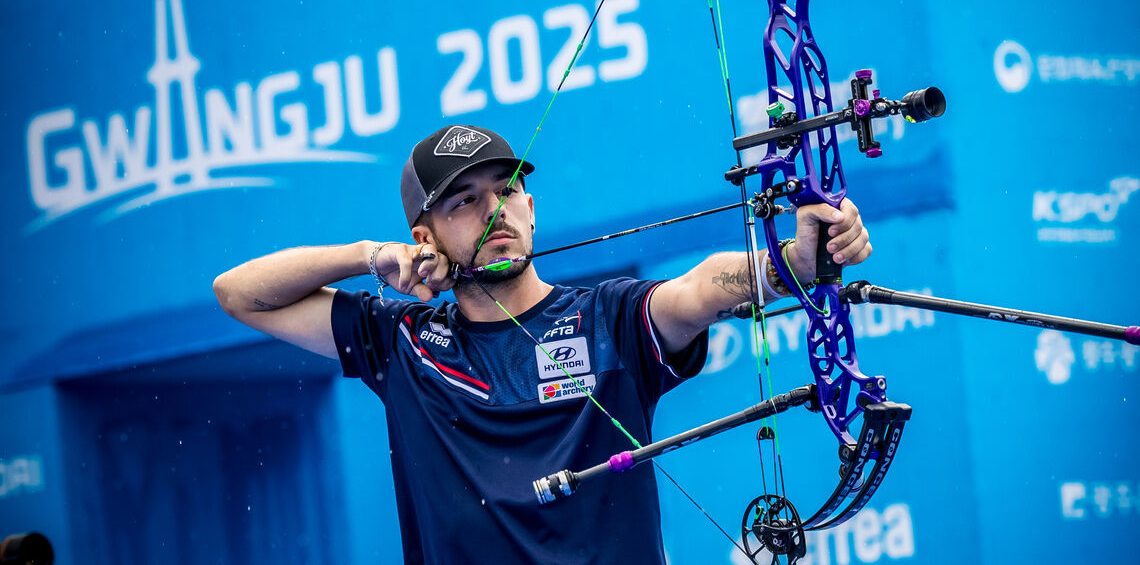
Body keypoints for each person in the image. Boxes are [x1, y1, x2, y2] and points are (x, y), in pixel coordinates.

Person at [213, 124, 872, 564]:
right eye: (464, 201)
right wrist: (366, 256)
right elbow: (239, 293)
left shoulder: (609, 318)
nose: (494, 209)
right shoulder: (403, 343)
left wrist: (790, 263)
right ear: (424, 237)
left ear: (531, 208)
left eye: (507, 190)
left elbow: (698, 291)